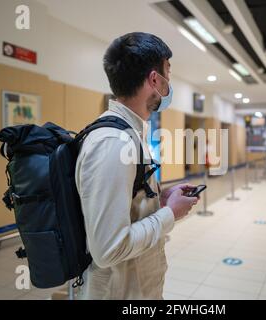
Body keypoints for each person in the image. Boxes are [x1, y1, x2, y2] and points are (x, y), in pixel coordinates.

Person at [75, 32, 199, 299]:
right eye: (168, 73)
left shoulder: (129, 134)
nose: (169, 85)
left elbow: (125, 206)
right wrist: (170, 215)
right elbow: (108, 249)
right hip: (120, 291)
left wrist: (159, 201)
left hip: (137, 286)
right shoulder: (113, 143)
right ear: (155, 80)